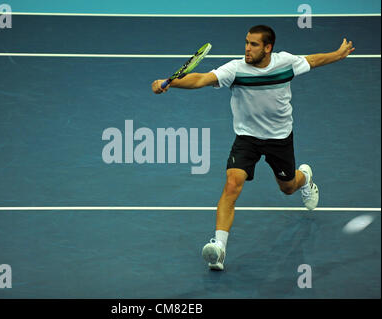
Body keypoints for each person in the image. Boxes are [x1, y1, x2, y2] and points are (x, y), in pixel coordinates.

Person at [151, 25, 355, 271]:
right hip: (247, 138)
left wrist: (337, 54)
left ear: (268, 48)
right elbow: (202, 79)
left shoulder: (286, 63)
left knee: (288, 187)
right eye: (246, 42)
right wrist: (170, 83)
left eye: (254, 44)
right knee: (231, 184)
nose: (247, 48)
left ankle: (306, 178)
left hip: (279, 139)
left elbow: (312, 60)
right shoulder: (235, 69)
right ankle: (219, 248)